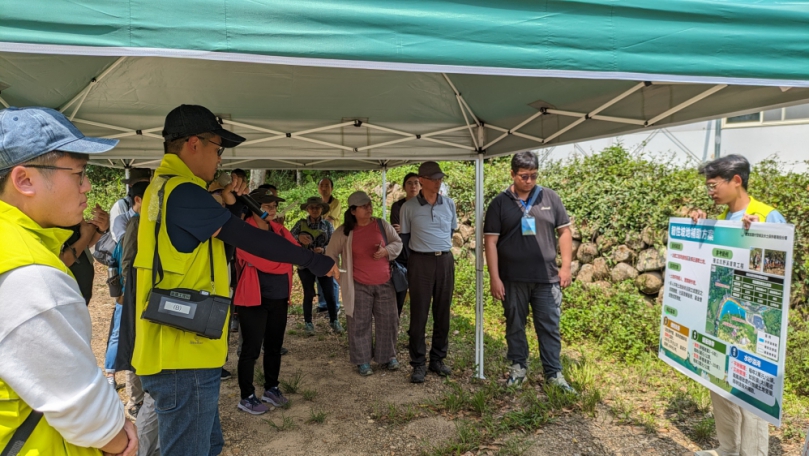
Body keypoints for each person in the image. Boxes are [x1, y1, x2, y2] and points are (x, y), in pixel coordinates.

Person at [131, 104, 336, 456]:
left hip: (182, 345)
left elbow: (212, 234)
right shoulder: (182, 191)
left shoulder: (167, 188)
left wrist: (231, 203)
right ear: (194, 143)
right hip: (182, 354)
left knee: (210, 445)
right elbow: (250, 238)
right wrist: (313, 260)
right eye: (218, 148)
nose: (220, 159)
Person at [0, 106, 137, 455]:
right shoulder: (30, 275)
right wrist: (120, 440)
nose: (87, 185)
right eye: (78, 173)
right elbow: (79, 405)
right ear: (24, 180)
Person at [686, 154, 785, 456]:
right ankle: (728, 448)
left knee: (751, 392)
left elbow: (780, 269)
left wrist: (761, 237)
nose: (710, 192)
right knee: (720, 381)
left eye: (713, 185)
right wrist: (699, 224)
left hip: (754, 323)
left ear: (736, 181)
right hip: (723, 317)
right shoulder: (721, 220)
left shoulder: (767, 216)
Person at [483, 151, 576, 392]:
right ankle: (518, 368)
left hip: (546, 278)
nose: (529, 181)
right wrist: (495, 277)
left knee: (549, 326)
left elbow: (564, 232)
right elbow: (490, 242)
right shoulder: (499, 203)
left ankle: (554, 374)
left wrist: (566, 267)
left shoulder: (550, 197)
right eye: (524, 176)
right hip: (512, 278)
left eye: (533, 175)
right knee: (515, 324)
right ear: (512, 174)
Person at [233, 189, 295, 414]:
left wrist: (285, 257)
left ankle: (271, 388)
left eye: (274, 206)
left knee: (274, 347)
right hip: (254, 299)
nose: (272, 210)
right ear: (253, 207)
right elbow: (267, 261)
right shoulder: (243, 231)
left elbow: (294, 252)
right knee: (250, 349)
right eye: (267, 206)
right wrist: (284, 259)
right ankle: (246, 396)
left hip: (279, 296)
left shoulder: (279, 230)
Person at [327, 191, 403, 376]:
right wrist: (339, 276)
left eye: (369, 205)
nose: (369, 208)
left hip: (385, 282)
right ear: (353, 211)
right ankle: (362, 360)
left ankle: (388, 356)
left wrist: (386, 251)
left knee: (389, 320)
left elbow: (397, 242)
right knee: (359, 323)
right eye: (363, 206)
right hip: (358, 284)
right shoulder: (344, 231)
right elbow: (330, 254)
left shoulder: (381, 224)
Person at [398, 161, 458, 383]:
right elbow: (405, 238)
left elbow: (450, 231)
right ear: (422, 180)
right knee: (419, 313)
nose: (438, 182)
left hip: (444, 260)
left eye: (440, 178)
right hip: (420, 262)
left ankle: (438, 359)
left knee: (442, 312)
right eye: (433, 179)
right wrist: (415, 260)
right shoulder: (409, 207)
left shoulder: (449, 204)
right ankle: (418, 363)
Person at [104, 181, 149, 416]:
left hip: (147, 294)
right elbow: (128, 261)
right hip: (134, 293)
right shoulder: (134, 222)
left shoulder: (151, 222)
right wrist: (127, 294)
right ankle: (135, 399)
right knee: (130, 341)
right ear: (139, 200)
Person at [291, 196, 343, 336]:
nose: (314, 210)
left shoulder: (327, 225)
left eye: (317, 207)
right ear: (307, 209)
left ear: (322, 209)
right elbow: (288, 239)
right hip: (305, 265)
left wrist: (323, 250)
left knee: (329, 293)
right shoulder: (300, 224)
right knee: (308, 293)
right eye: (312, 207)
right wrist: (298, 238)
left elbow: (334, 244)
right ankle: (308, 323)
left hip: (323, 263)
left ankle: (334, 320)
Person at [60, 202, 110, 304]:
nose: (84, 197)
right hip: (65, 297)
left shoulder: (71, 211)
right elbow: (63, 260)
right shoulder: (46, 217)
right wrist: (87, 234)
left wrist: (100, 229)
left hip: (80, 296)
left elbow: (84, 246)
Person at [389, 172, 420, 316]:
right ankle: (393, 325)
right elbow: (396, 229)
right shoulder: (398, 206)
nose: (413, 186)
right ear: (404, 187)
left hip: (420, 256)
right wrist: (416, 228)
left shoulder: (425, 205)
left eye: (416, 183)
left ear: (421, 186)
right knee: (398, 296)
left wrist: (407, 228)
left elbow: (427, 230)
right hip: (401, 256)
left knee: (419, 298)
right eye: (409, 183)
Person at [317, 177, 342, 313]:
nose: (324, 188)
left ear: (332, 188)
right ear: (318, 188)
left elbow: (329, 220)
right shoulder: (317, 203)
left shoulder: (336, 203)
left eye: (327, 185)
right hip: (318, 242)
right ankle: (323, 304)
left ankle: (335, 305)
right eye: (322, 185)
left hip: (332, 240)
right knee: (320, 272)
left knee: (332, 272)